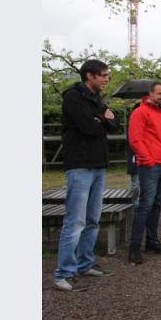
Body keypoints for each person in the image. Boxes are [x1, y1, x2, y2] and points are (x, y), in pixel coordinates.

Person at [53, 60, 118, 292]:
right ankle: (63, 273)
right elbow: (89, 128)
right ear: (89, 76)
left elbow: (113, 124)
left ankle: (84, 263)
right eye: (103, 75)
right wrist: (102, 118)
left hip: (98, 164)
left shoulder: (96, 98)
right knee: (75, 221)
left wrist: (101, 118)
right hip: (80, 166)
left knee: (92, 219)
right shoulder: (73, 97)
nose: (106, 79)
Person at [128, 82, 161, 264]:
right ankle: (134, 247)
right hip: (151, 166)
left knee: (157, 203)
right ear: (150, 94)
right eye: (159, 93)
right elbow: (135, 139)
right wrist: (147, 160)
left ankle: (152, 241)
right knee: (145, 205)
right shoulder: (140, 112)